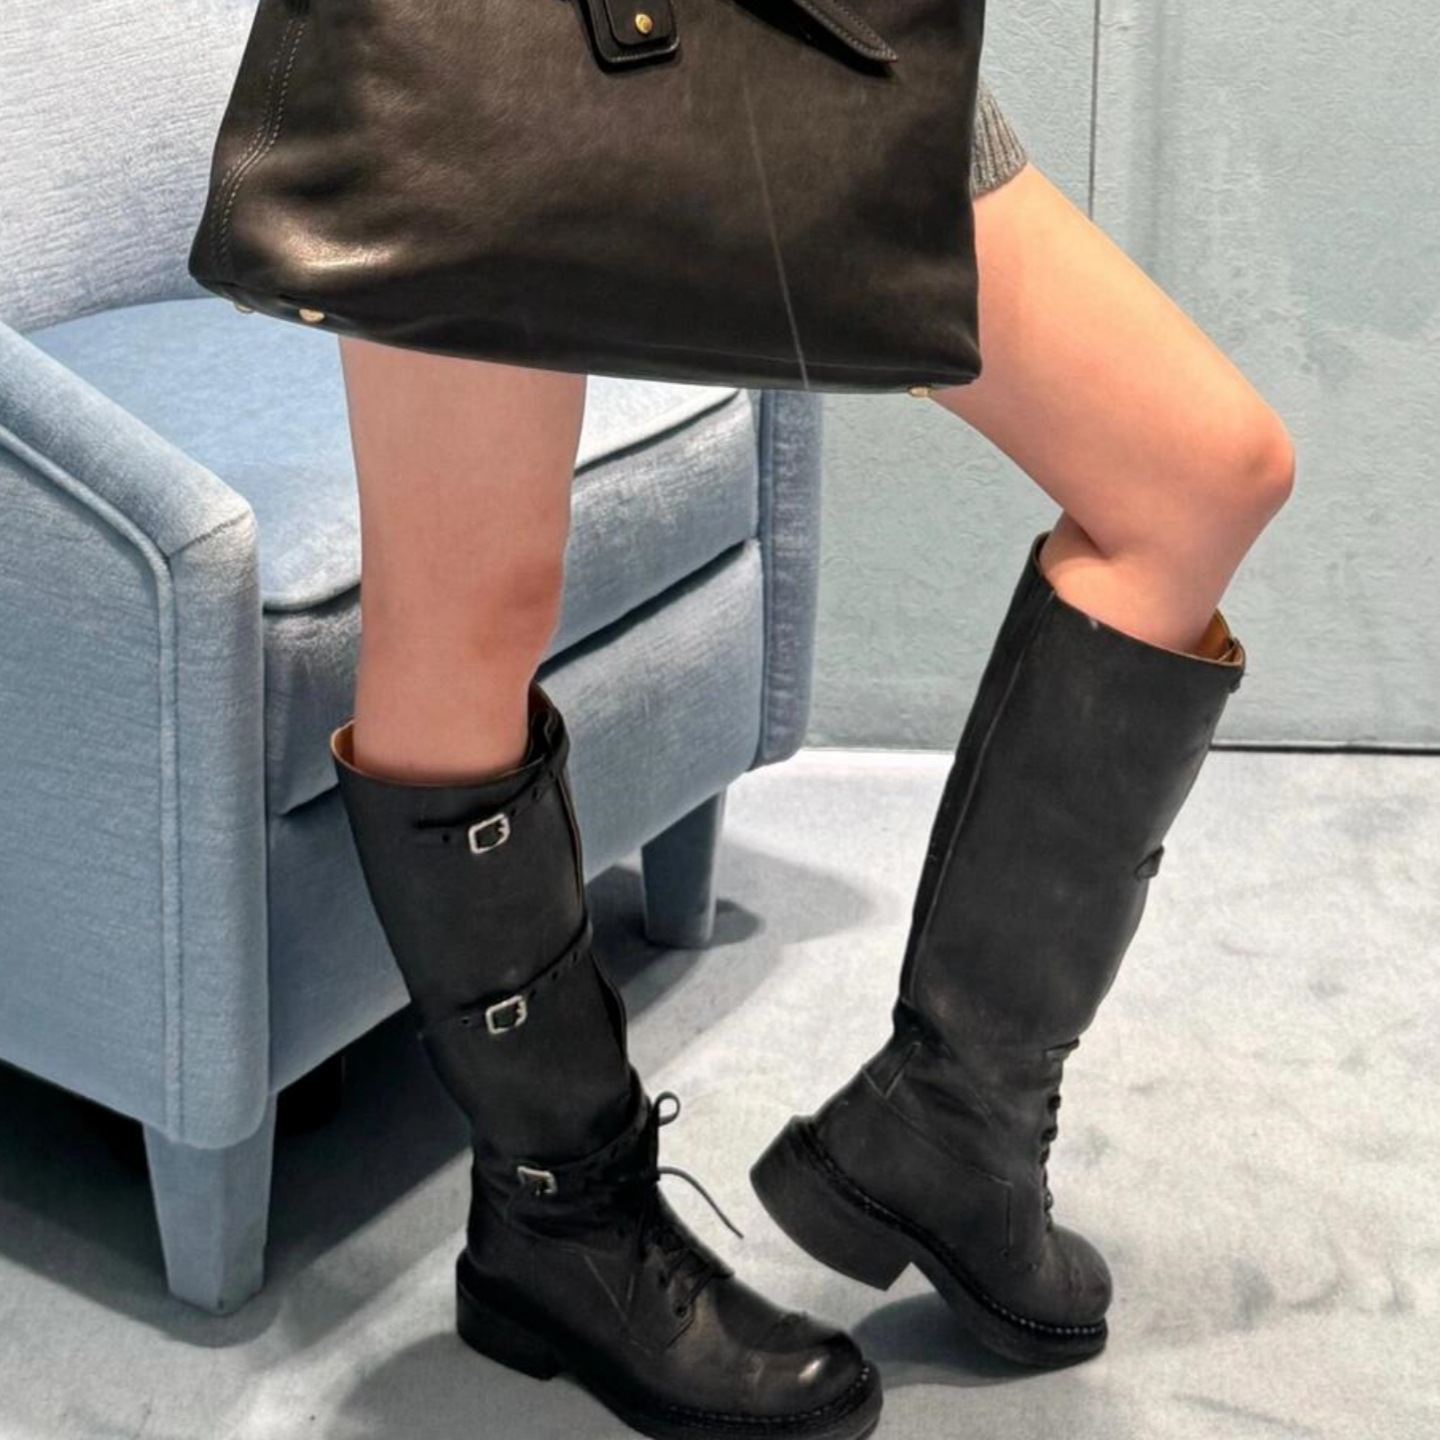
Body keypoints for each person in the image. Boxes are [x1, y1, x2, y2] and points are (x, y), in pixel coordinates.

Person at [326, 75, 1295, 1440]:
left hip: (792, 41)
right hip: (486, 57)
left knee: (1203, 473)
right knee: (467, 605)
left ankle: (957, 1121)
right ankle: (561, 1220)